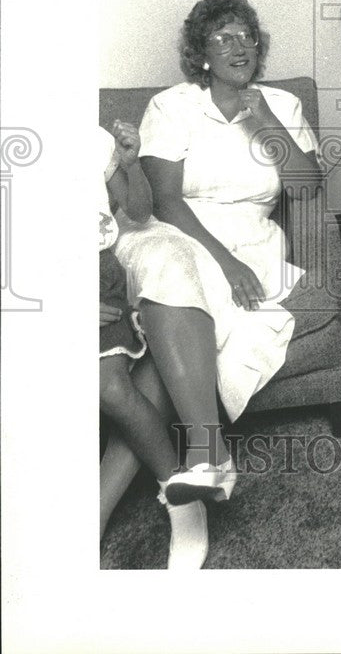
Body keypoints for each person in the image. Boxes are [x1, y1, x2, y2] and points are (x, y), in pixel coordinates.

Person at [105, 0, 323, 523]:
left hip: (253, 238)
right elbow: (163, 201)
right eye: (222, 36)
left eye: (246, 34)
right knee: (168, 264)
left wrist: (266, 119)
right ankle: (210, 455)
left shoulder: (281, 104)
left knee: (159, 359)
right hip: (173, 231)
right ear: (201, 54)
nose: (238, 45)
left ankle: (143, 496)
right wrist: (226, 265)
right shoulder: (173, 105)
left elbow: (309, 187)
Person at [99, 121, 208, 569]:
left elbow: (140, 211)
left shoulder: (92, 141)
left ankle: (180, 497)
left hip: (95, 275)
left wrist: (130, 165)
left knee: (107, 387)